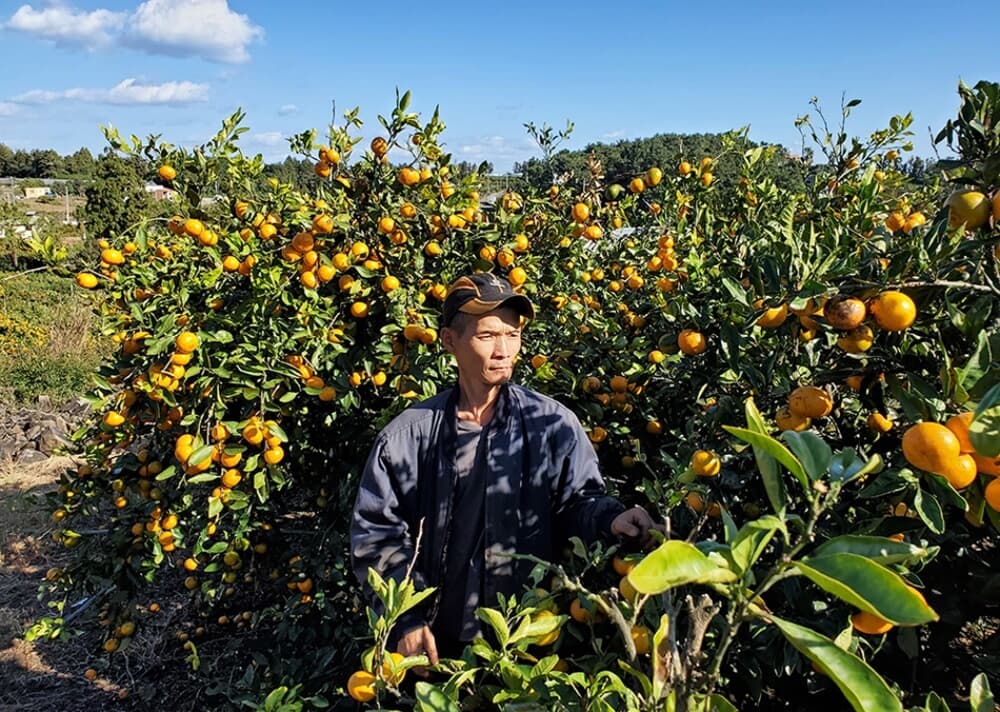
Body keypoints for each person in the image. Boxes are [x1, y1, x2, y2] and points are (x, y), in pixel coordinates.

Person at [350, 272, 659, 668]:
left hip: (529, 637)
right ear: (449, 341)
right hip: (437, 645)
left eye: (512, 335)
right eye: (487, 336)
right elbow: (378, 534)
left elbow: (578, 502)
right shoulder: (407, 438)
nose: (504, 350)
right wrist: (405, 617)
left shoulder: (551, 425)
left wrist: (612, 519)